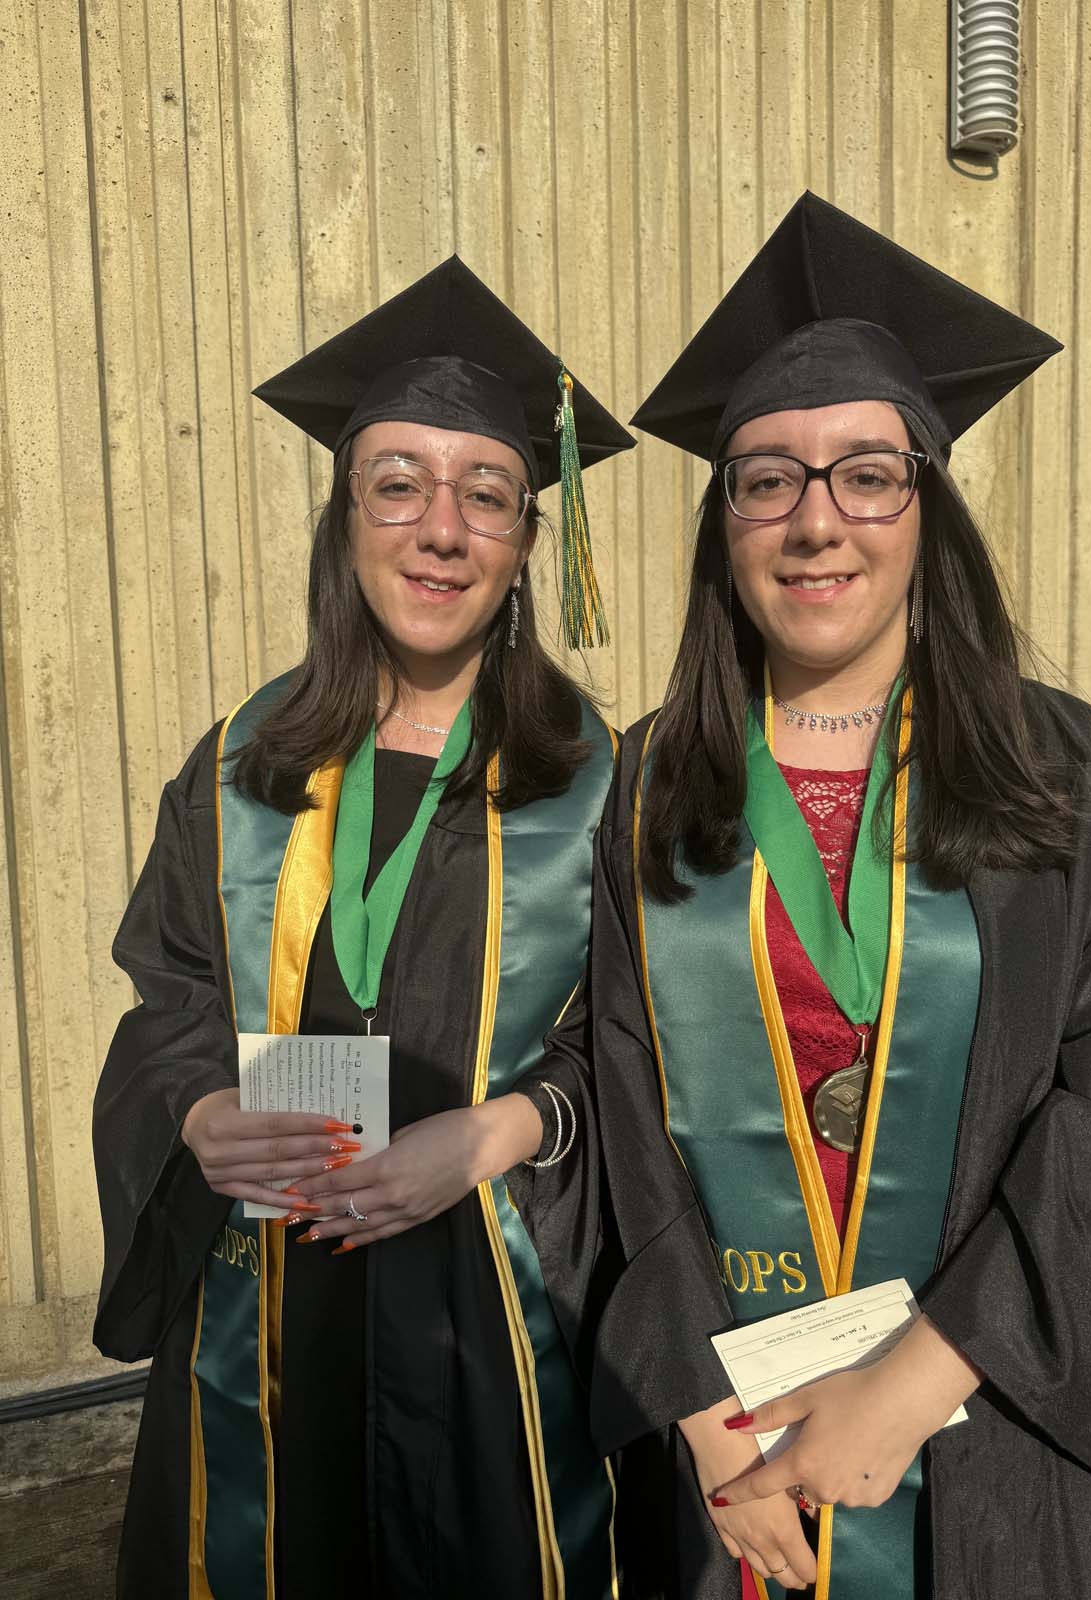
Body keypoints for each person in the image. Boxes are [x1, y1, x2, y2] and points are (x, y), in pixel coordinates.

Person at [586, 194, 1091, 1598]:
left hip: (1000, 1432)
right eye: (768, 478)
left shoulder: (1063, 773)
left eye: (868, 472)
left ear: (929, 505)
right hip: (737, 1456)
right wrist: (692, 1402)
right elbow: (616, 1122)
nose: (816, 521)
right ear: (722, 520)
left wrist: (912, 1383)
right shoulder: (645, 790)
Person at [91, 256, 634, 1599]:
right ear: (346, 521)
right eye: (397, 483)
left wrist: (499, 1131)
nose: (438, 528)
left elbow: (645, 1049)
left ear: (523, 549)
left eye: (487, 496)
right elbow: (164, 998)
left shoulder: (599, 782)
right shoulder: (235, 768)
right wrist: (199, 1112)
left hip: (491, 1311)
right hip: (270, 1299)